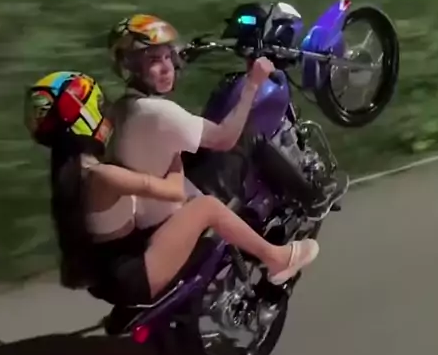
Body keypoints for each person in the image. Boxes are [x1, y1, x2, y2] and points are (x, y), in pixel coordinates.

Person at [24, 70, 319, 324]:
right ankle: (277, 259)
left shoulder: (69, 174)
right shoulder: (102, 175)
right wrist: (175, 151)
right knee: (206, 207)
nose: (105, 109)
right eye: (99, 105)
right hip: (134, 275)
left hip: (105, 273)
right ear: (84, 118)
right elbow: (173, 190)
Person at [107, 12, 347, 226]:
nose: (166, 68)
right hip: (177, 210)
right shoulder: (156, 112)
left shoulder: (125, 105)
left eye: (167, 57)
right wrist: (252, 84)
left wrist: (189, 51)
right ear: (131, 67)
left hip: (151, 205)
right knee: (248, 135)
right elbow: (224, 139)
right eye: (153, 60)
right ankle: (313, 199)